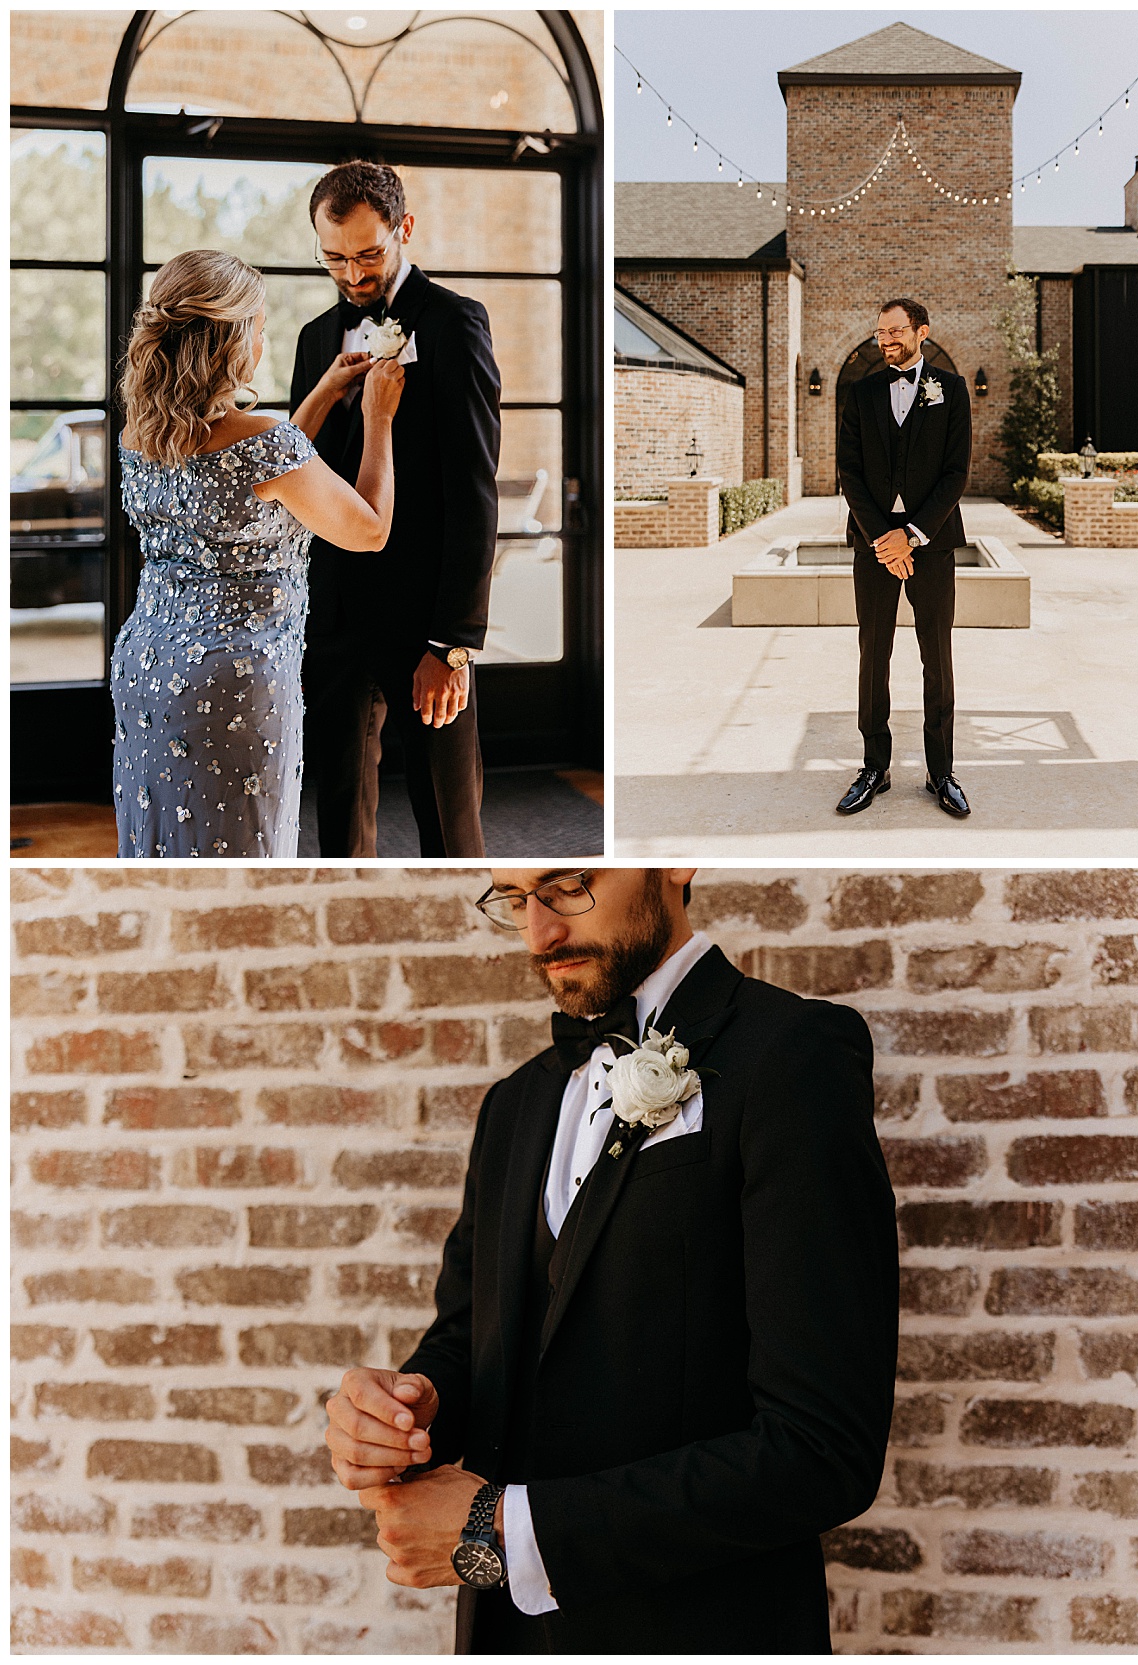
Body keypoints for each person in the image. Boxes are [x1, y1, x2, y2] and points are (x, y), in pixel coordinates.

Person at [324, 868, 899, 1654]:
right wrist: (408, 1406)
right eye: (515, 899)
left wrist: (508, 1531)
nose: (539, 933)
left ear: (674, 860)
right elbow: (471, 1335)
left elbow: (824, 1448)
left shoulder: (793, 1054)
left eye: (567, 885)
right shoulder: (513, 1103)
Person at [111, 248, 405, 858]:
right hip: (232, 686)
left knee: (167, 846)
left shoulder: (141, 434)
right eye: (261, 329)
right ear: (233, 341)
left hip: (147, 665)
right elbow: (369, 529)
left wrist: (323, 390)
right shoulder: (261, 441)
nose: (265, 341)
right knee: (240, 850)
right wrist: (379, 418)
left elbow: (264, 476)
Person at [291, 161, 502, 858]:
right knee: (340, 826)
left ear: (404, 229)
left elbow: (474, 490)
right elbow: (299, 471)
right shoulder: (314, 338)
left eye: (368, 254)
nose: (353, 275)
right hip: (333, 620)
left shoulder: (456, 325)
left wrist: (453, 640)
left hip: (424, 626)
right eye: (334, 258)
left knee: (449, 827)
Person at [835, 296, 973, 820]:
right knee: (874, 655)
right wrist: (882, 539)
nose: (886, 340)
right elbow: (848, 471)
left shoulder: (951, 389)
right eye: (880, 333)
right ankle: (875, 767)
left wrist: (911, 534)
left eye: (895, 331)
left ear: (922, 332)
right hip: (873, 544)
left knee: (936, 657)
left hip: (931, 542)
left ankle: (942, 771)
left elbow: (956, 472)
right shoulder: (861, 391)